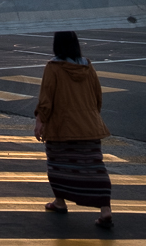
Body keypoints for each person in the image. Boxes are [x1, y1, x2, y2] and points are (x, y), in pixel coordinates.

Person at [33, 30, 114, 229]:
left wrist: (40, 121)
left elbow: (46, 98)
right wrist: (90, 118)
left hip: (62, 128)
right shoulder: (87, 66)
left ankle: (60, 202)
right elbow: (97, 95)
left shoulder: (53, 67)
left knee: (59, 166)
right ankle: (105, 209)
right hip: (89, 126)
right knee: (94, 167)